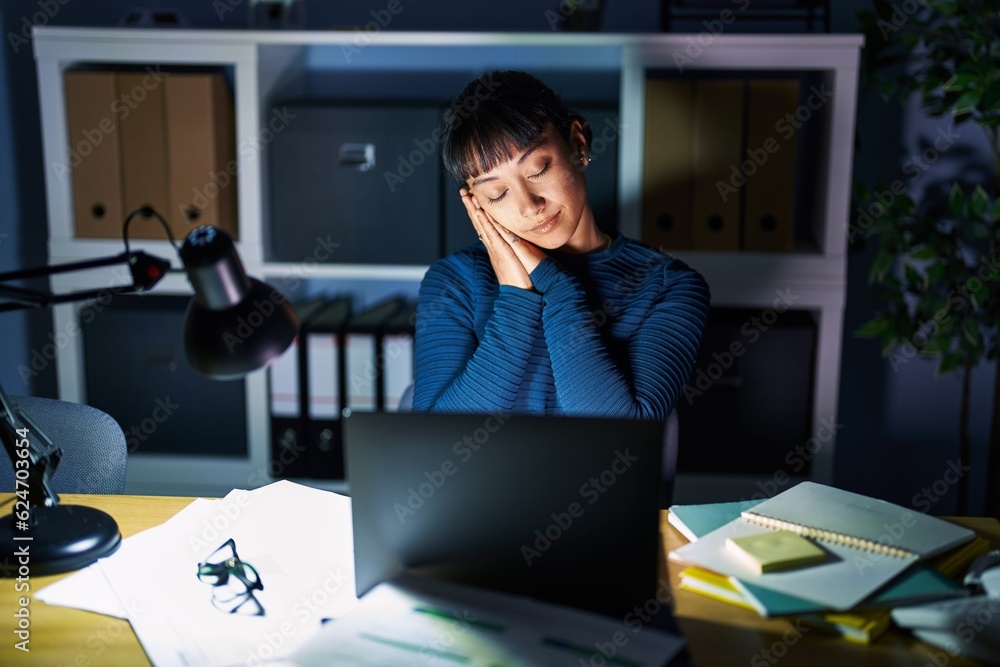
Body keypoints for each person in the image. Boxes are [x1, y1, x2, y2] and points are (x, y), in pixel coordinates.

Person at [412, 70, 710, 419]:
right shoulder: (454, 282)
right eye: (498, 193)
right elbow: (434, 445)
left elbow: (622, 436)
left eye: (538, 170)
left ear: (577, 144)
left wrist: (557, 286)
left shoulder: (669, 286)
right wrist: (516, 299)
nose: (529, 206)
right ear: (475, 203)